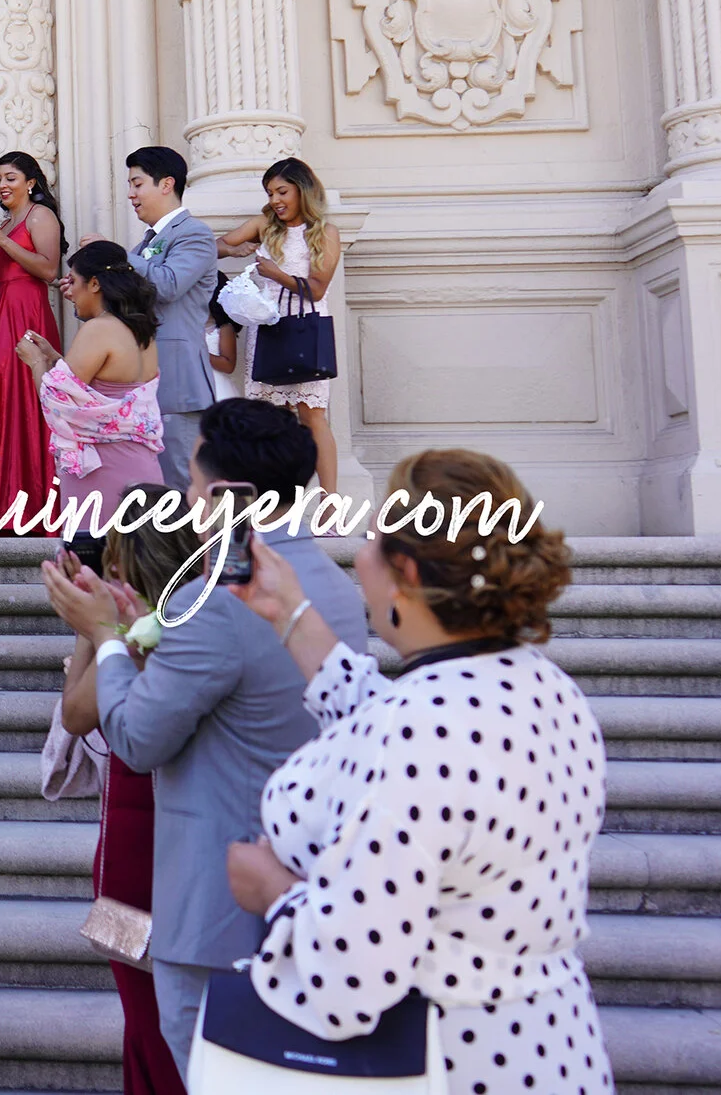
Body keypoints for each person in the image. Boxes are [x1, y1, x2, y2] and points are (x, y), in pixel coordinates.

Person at [225, 449, 609, 1093]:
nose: (358, 554)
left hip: (442, 1060)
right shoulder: (546, 688)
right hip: (551, 1047)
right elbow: (388, 717)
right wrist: (287, 610)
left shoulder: (415, 728)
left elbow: (350, 978)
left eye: (371, 537)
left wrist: (274, 891)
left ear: (403, 570)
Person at [37, 396, 368, 1077]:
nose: (186, 499)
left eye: (189, 481)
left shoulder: (211, 602)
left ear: (224, 492)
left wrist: (104, 635)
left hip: (219, 909)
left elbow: (132, 737)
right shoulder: (334, 587)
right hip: (310, 888)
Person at [53, 506, 192, 1095]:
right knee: (154, 1023)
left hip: (138, 855)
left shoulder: (150, 632)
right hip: (145, 845)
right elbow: (78, 711)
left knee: (154, 1025)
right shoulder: (180, 624)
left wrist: (101, 630)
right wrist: (92, 629)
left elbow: (78, 713)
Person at [17, 240, 163, 539]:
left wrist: (34, 363)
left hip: (103, 472)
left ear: (94, 283)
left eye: (73, 280)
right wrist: (55, 359)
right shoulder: (142, 333)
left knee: (96, 569)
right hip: (142, 467)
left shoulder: (98, 328)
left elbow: (58, 405)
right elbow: (107, 390)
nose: (67, 290)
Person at [220, 156, 344, 493]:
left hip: (307, 328)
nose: (275, 200)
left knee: (312, 417)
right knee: (268, 418)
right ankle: (274, 502)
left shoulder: (325, 232)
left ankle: (330, 505)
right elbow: (220, 245)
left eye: (282, 191)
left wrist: (277, 274)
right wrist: (232, 251)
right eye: (270, 192)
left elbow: (316, 288)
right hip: (270, 329)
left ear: (302, 190)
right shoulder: (264, 225)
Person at [0, 151, 62, 537]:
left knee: (29, 399)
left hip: (29, 315)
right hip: (2, 313)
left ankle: (38, 504)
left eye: (11, 178)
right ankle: (4, 502)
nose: (2, 185)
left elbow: (50, 270)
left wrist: (1, 239)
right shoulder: (2, 223)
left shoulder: (40, 216)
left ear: (31, 182)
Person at [120, 147, 217, 490]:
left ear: (166, 184)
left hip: (177, 382)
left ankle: (197, 546)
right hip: (142, 382)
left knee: (181, 485)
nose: (130, 194)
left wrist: (120, 261)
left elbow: (170, 284)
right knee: (151, 491)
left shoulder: (195, 233)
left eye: (137, 183)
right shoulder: (145, 244)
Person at [204, 282, 246, 403]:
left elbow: (228, 366)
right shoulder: (184, 326)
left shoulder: (224, 328)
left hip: (217, 387)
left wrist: (198, 352)